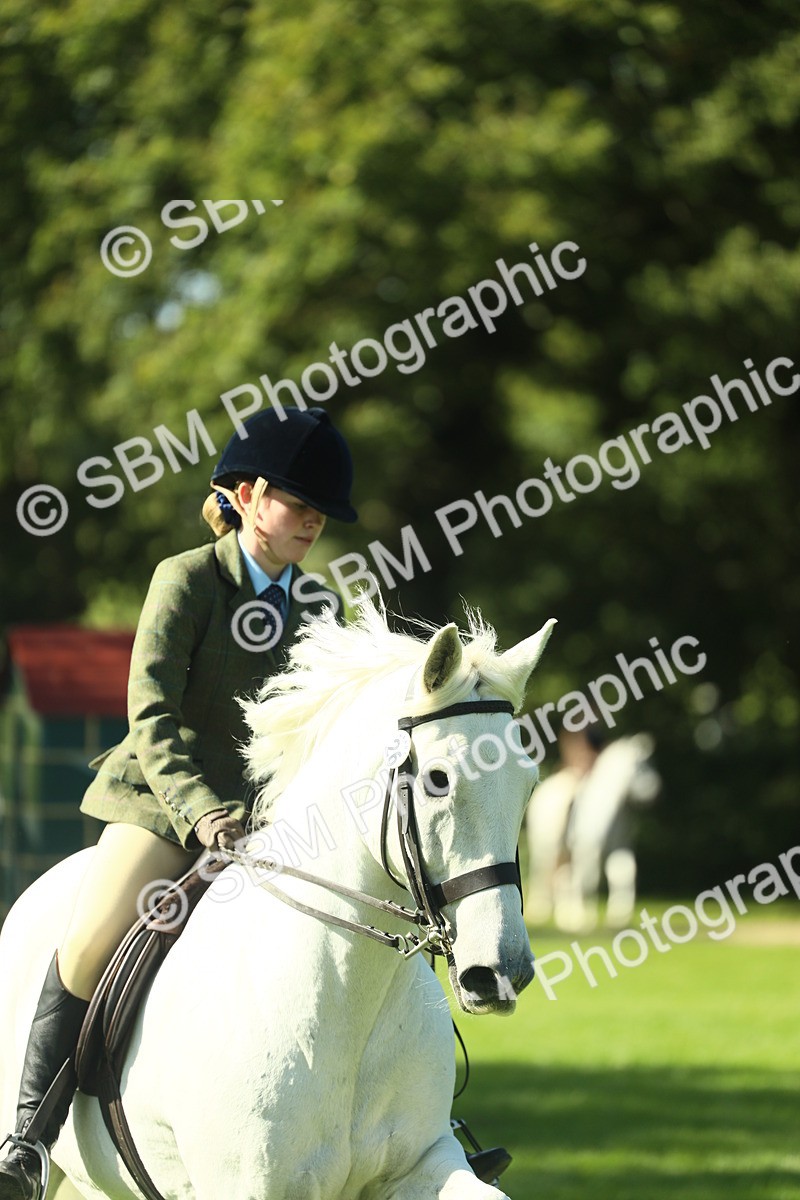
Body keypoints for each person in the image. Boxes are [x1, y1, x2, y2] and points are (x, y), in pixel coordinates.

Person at [0, 405, 356, 1200]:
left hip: (269, 824)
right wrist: (201, 812)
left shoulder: (322, 607)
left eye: (319, 513)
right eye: (298, 505)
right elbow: (152, 715)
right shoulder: (187, 580)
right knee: (90, 942)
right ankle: (28, 1138)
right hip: (163, 806)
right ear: (249, 494)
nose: (311, 523)